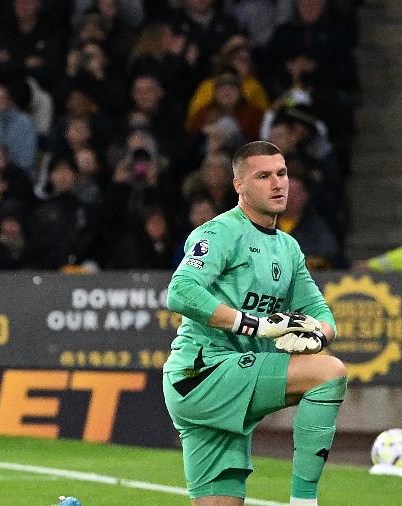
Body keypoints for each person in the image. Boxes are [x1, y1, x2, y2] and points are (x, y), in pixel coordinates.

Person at [162, 141, 347, 506]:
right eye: (263, 176)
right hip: (203, 372)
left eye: (282, 174)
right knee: (329, 374)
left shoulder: (289, 248)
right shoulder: (219, 233)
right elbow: (180, 291)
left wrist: (316, 338)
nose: (277, 183)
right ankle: (304, 501)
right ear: (239, 185)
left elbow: (322, 314)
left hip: (223, 385)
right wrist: (257, 326)